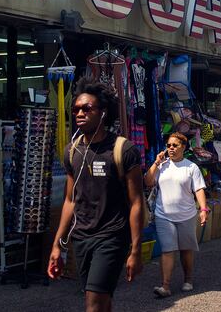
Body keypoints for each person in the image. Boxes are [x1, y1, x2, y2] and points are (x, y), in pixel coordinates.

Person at [47, 77, 144, 312]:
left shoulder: (123, 150)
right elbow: (70, 200)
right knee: (103, 299)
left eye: (87, 108)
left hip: (111, 236)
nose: (80, 113)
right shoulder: (72, 151)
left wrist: (136, 249)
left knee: (92, 303)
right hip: (81, 237)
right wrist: (58, 245)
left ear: (102, 113)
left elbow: (136, 203)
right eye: (76, 109)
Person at [144, 132, 208, 298]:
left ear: (183, 147)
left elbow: (199, 189)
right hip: (163, 215)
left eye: (175, 145)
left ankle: (188, 279)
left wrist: (203, 209)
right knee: (167, 249)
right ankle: (165, 286)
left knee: (186, 250)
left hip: (186, 215)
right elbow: (148, 182)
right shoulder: (162, 165)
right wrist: (156, 162)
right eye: (168, 145)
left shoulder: (191, 167)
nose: (171, 148)